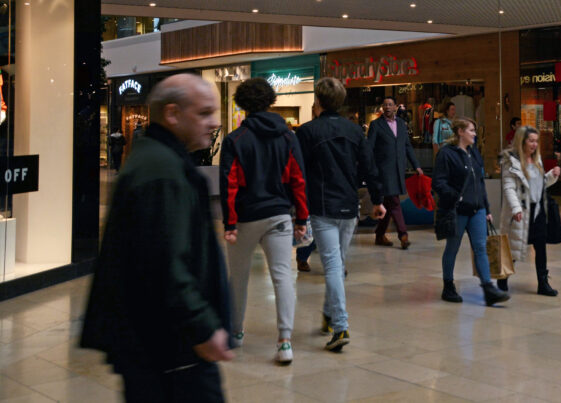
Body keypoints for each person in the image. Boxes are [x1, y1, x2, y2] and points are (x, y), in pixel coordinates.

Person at [81, 74, 232, 402]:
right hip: (171, 349)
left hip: (162, 347)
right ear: (173, 113)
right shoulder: (161, 172)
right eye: (204, 113)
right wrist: (202, 326)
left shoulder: (159, 159)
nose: (213, 123)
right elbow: (165, 262)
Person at [219, 77, 309, 365]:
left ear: (243, 104)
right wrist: (302, 217)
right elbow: (298, 179)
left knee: (238, 278)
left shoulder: (235, 139)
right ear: (271, 101)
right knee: (282, 277)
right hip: (279, 215)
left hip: (246, 218)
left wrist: (229, 224)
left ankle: (235, 333)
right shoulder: (288, 137)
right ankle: (284, 342)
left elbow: (229, 184)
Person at [296, 77, 386, 352]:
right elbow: (369, 167)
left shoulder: (307, 132)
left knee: (334, 266)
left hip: (322, 207)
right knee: (337, 263)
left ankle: (340, 326)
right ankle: (329, 314)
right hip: (349, 206)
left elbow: (298, 173)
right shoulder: (354, 130)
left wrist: (297, 208)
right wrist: (377, 200)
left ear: (318, 101)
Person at [432, 118, 509, 306]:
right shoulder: (446, 154)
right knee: (452, 247)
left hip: (477, 209)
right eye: (471, 130)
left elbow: (480, 183)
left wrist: (487, 208)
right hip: (457, 210)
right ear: (460, 132)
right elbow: (438, 183)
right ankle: (448, 286)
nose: (475, 134)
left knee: (481, 248)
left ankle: (488, 288)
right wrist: (455, 197)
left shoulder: (474, 152)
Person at [498, 125, 561, 296]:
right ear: (522, 141)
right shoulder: (510, 161)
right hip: (520, 211)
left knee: (541, 246)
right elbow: (509, 188)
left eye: (536, 141)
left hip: (537, 210)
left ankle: (543, 283)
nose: (534, 145)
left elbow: (540, 185)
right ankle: (502, 280)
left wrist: (552, 176)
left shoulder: (536, 159)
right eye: (531, 141)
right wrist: (516, 208)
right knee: (514, 246)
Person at [367, 96, 425, 249]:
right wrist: (370, 167)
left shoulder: (401, 124)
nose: (387, 107)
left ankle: (379, 235)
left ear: (395, 107)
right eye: (385, 105)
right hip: (383, 170)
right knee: (394, 201)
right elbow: (369, 148)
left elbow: (407, 146)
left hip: (398, 169)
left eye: (390, 104)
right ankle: (403, 235)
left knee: (388, 202)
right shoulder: (376, 125)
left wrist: (416, 165)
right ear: (382, 108)